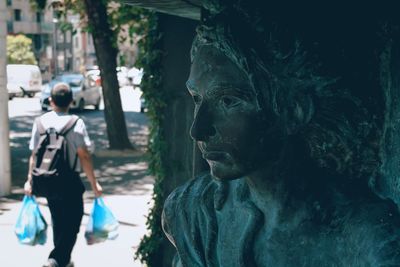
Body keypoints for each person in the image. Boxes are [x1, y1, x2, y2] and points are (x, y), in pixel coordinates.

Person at [162, 11, 400, 267]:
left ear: (294, 110)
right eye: (197, 98)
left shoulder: (367, 239)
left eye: (228, 101)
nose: (198, 130)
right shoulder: (192, 210)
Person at [24, 82, 103, 267]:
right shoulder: (76, 123)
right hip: (70, 182)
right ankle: (55, 260)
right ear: (71, 101)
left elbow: (34, 154)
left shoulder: (40, 122)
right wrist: (94, 183)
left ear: (51, 101)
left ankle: (62, 260)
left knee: (58, 221)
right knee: (73, 222)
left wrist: (29, 181)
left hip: (47, 181)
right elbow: (84, 155)